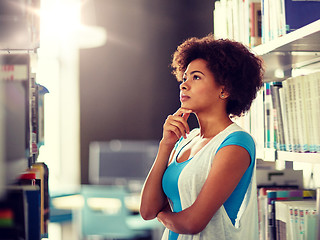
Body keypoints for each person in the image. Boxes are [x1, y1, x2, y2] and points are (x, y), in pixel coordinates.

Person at [140, 34, 264, 240]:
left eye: (196, 77)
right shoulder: (186, 139)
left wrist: (161, 215)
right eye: (185, 77)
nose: (184, 85)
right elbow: (146, 210)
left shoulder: (236, 143)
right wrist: (166, 145)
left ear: (224, 89)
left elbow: (192, 223)